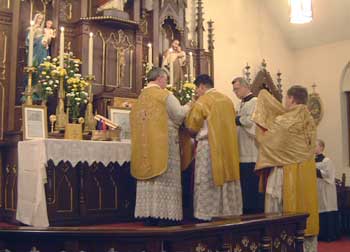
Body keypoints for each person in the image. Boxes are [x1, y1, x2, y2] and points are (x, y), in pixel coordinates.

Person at [252, 86, 319, 252]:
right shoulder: (310, 119)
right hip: (306, 173)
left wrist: (260, 128)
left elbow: (266, 142)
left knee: (280, 210)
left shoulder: (284, 121)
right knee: (304, 207)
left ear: (291, 99)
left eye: (286, 99)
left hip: (285, 173)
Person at [130, 67, 191, 226]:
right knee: (164, 176)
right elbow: (178, 114)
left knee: (149, 179)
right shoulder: (165, 95)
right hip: (165, 142)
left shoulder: (140, 98)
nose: (166, 83)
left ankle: (149, 215)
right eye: (166, 79)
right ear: (160, 78)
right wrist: (189, 106)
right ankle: (164, 217)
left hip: (145, 144)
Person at [185, 74, 242, 221]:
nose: (197, 93)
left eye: (197, 89)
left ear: (202, 86)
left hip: (209, 146)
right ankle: (228, 211)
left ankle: (207, 214)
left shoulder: (203, 101)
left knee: (207, 180)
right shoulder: (228, 100)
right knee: (227, 177)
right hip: (228, 147)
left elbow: (192, 126)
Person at [232, 77, 262, 214]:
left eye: (237, 89)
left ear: (245, 87)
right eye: (234, 90)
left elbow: (253, 122)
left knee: (251, 187)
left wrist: (238, 119)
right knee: (245, 187)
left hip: (251, 152)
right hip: (241, 149)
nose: (235, 92)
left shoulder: (255, 102)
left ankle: (254, 214)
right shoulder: (242, 104)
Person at [315, 139, 339, 241]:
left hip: (326, 189)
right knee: (319, 210)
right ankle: (321, 235)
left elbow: (329, 175)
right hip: (317, 190)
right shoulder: (312, 161)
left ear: (321, 147)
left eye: (315, 145)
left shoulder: (327, 161)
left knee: (327, 209)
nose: (314, 148)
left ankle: (330, 235)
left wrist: (316, 171)